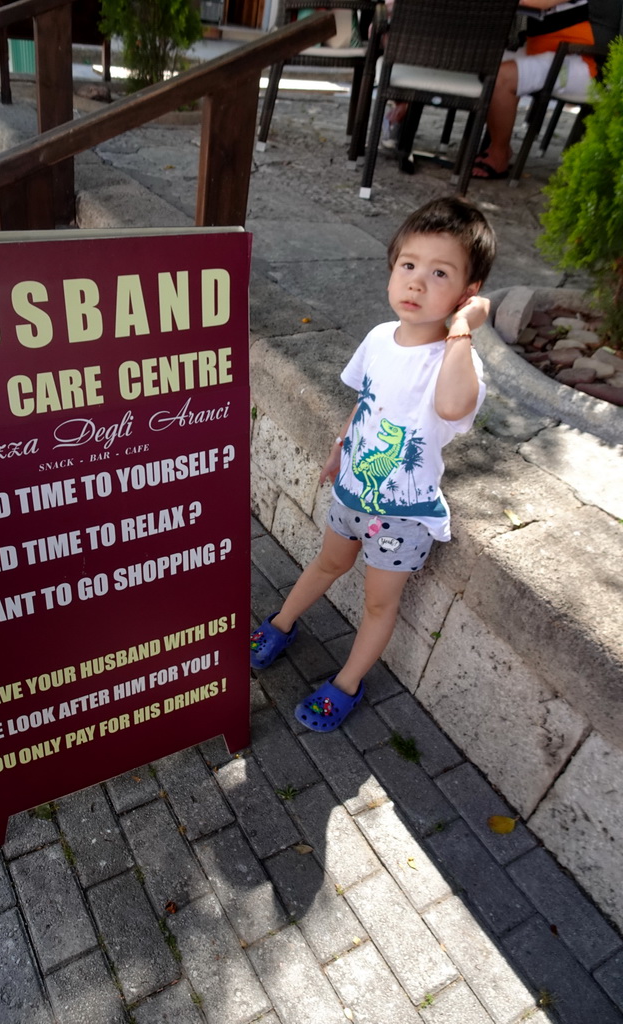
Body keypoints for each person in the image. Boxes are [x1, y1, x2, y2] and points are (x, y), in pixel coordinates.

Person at [250, 196, 496, 732]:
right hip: (352, 495)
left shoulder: (457, 361)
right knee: (325, 563)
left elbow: (453, 407)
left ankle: (346, 683)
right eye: (408, 265)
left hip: (404, 517)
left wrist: (462, 329)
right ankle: (282, 623)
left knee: (378, 604)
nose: (416, 283)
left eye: (439, 273)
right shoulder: (379, 339)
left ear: (466, 293)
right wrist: (340, 450)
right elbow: (364, 403)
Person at [473, 0, 598, 179]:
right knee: (485, 63)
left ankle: (498, 153)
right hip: (552, 50)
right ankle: (491, 144)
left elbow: (535, 2)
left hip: (587, 61)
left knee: (502, 78)